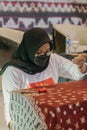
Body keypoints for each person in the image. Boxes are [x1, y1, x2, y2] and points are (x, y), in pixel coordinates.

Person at [1, 27, 87, 128]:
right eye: (39, 52)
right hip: (30, 121)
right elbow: (11, 105)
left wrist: (82, 68)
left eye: (47, 51)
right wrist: (14, 125)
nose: (44, 56)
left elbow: (75, 72)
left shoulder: (52, 60)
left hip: (53, 115)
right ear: (29, 50)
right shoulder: (13, 72)